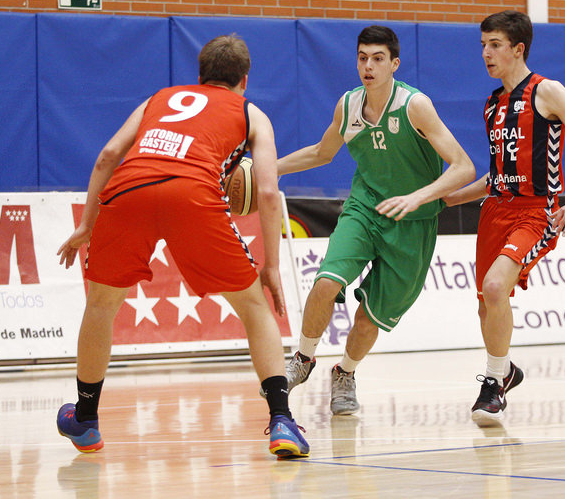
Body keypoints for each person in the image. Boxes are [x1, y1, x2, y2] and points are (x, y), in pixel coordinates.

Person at [54, 35, 309, 458]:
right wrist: (272, 266)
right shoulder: (251, 112)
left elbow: (108, 155)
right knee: (253, 307)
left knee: (101, 305)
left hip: (128, 189)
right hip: (193, 194)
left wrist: (87, 225)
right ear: (244, 80)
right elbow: (266, 192)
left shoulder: (160, 98)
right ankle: (281, 420)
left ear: (200, 74)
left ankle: (84, 418)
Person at [275, 25, 474, 415]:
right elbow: (321, 152)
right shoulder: (348, 105)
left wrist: (418, 197)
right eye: (362, 58)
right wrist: (270, 168)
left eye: (378, 59)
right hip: (365, 209)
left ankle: (345, 373)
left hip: (413, 222)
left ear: (394, 64)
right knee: (326, 283)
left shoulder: (415, 105)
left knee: (369, 319)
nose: (368, 66)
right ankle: (303, 358)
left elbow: (463, 166)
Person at [443, 10, 565, 425]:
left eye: (494, 45)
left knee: (497, 286)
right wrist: (446, 200)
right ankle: (507, 371)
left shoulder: (547, 91)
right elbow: (494, 177)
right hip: (495, 210)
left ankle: (492, 384)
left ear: (518, 49)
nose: (486, 53)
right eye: (482, 45)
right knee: (486, 303)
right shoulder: (492, 104)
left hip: (536, 211)